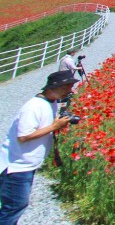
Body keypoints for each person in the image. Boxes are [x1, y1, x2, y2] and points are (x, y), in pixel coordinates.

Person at [0, 70, 76, 224]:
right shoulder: (33, 107)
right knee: (15, 205)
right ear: (53, 87)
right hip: (15, 166)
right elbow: (23, 136)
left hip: (26, 164)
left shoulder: (51, 103)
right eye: (67, 87)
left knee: (14, 206)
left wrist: (58, 124)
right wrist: (55, 126)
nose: (70, 90)